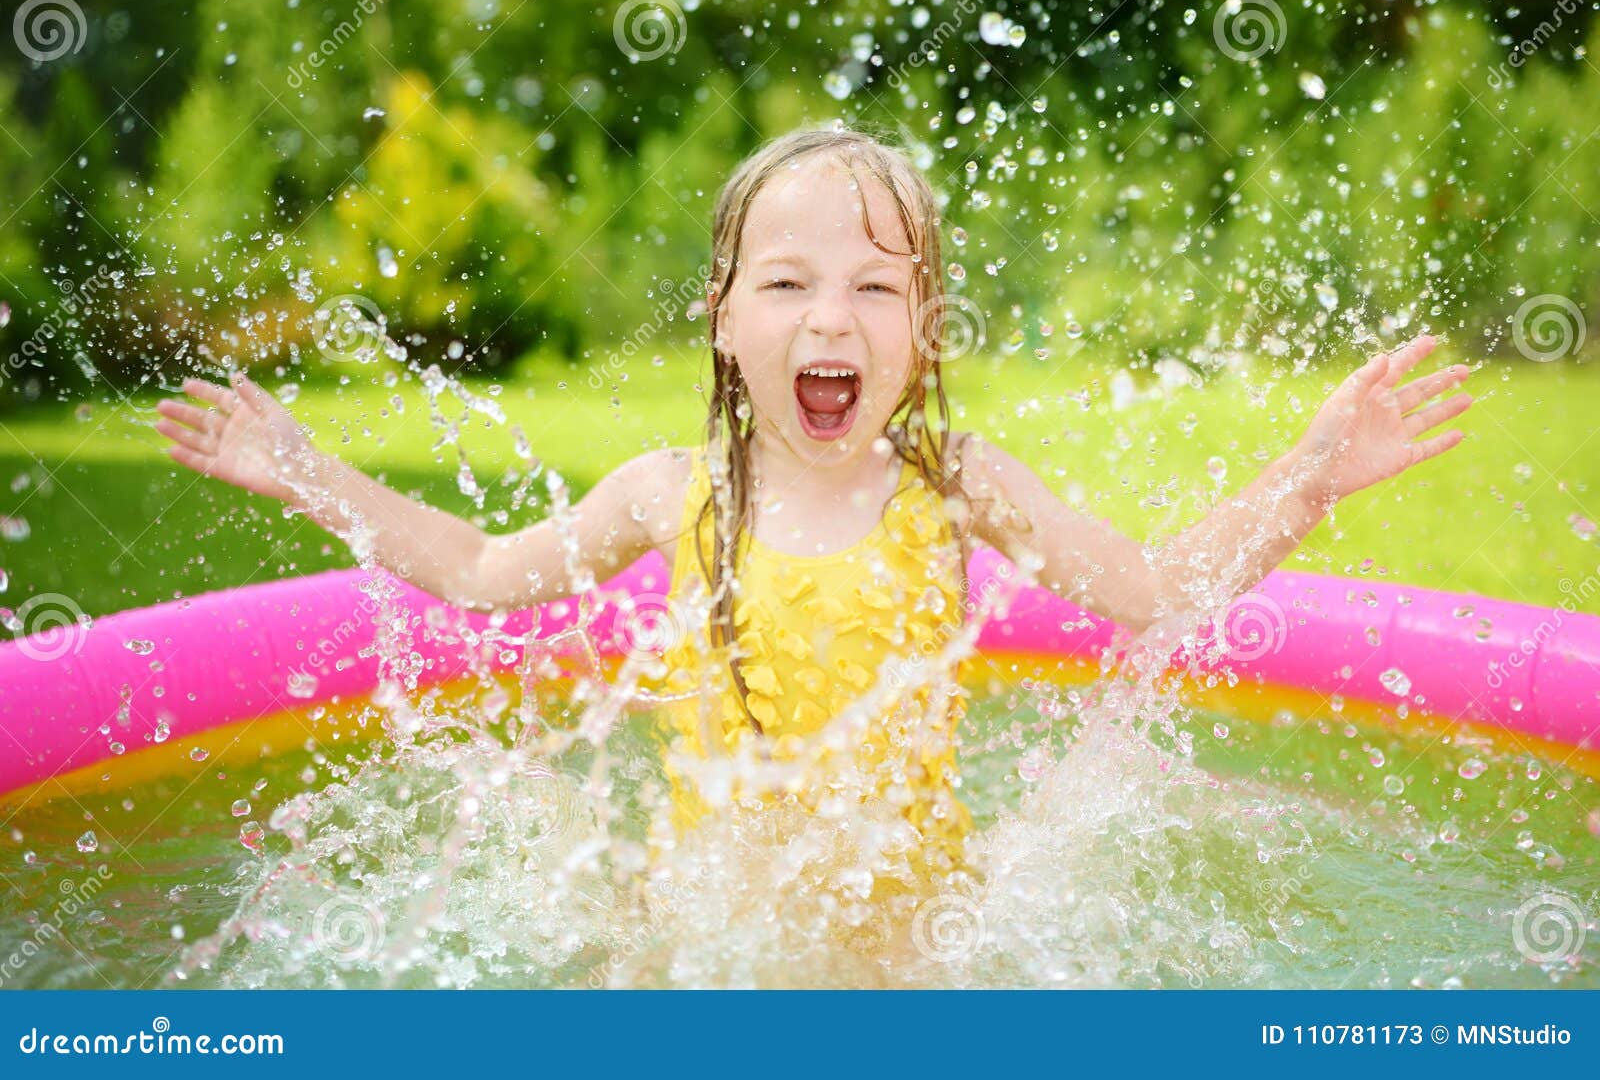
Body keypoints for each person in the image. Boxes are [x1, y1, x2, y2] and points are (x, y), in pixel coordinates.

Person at [155, 124, 1472, 896]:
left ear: (927, 327)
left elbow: (1156, 592)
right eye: (785, 284)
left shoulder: (958, 484)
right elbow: (485, 571)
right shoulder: (670, 493)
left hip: (915, 928)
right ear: (724, 321)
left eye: (876, 289)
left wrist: (1308, 478)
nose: (830, 317)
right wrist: (306, 469)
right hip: (708, 919)